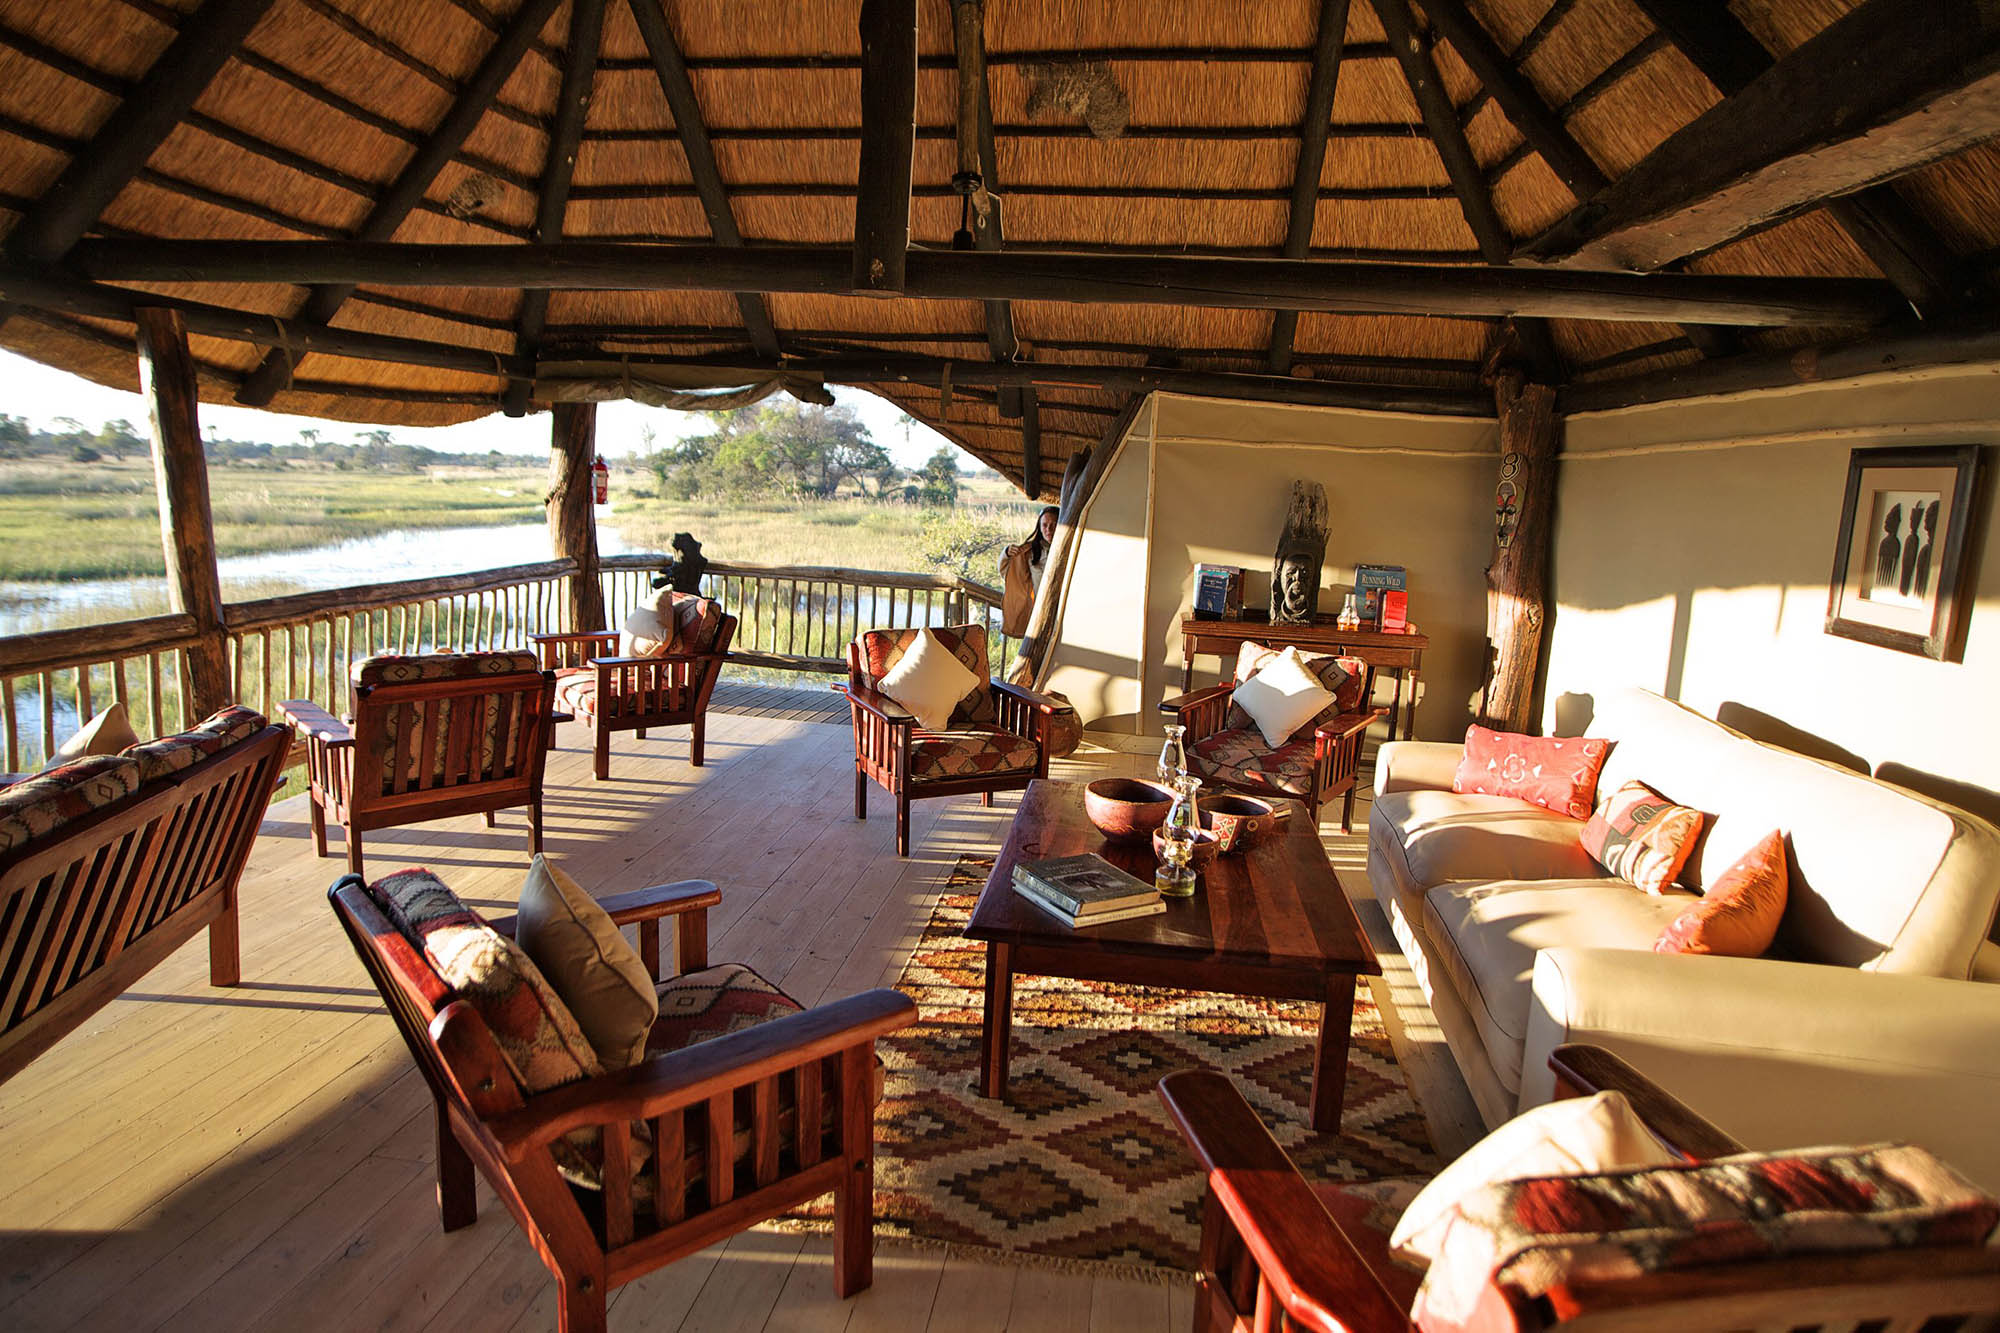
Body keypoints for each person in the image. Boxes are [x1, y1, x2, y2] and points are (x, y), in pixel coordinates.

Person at [999, 506, 1059, 637]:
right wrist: (1006, 554)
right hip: (1038, 612)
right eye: (1045, 525)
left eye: (1054, 525)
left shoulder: (1071, 550)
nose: (1049, 530)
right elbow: (1009, 573)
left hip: (1063, 611)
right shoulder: (1030, 552)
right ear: (1039, 527)